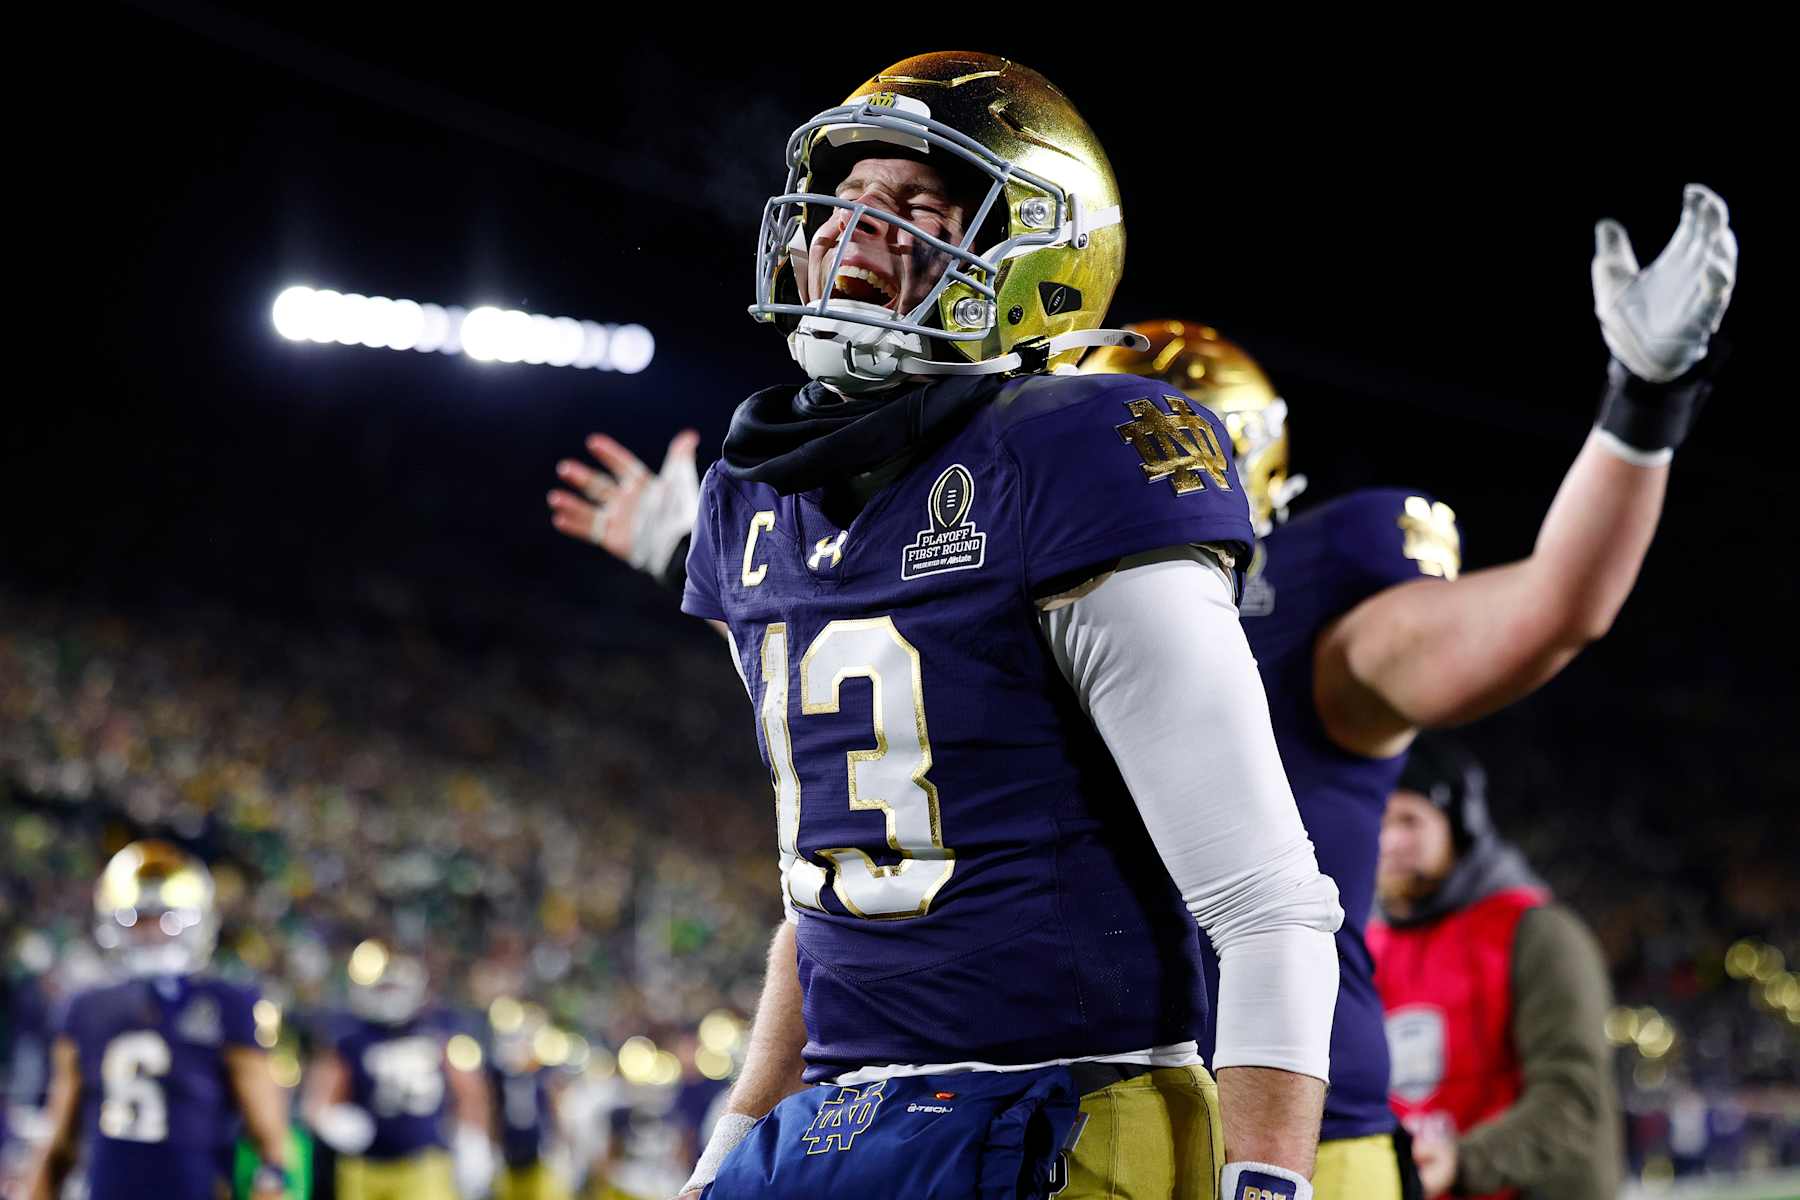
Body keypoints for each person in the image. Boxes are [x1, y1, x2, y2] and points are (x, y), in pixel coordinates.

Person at [560, 50, 1344, 1200]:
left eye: (919, 207)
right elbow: (823, 894)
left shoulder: (1074, 453)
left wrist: (1268, 1181)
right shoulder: (755, 499)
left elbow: (1267, 901)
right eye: (848, 202)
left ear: (1035, 255)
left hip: (1070, 1108)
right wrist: (738, 1132)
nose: (853, 232)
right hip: (840, 1114)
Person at [1370, 737, 1621, 1199]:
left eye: (1410, 819)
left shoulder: (1540, 932)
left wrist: (1463, 1160)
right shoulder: (1368, 944)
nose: (1391, 841)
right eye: (1380, 821)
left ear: (1461, 825)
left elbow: (1572, 1095)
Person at [22, 839, 293, 1200]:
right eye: (137, 918)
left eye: (166, 918)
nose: (151, 931)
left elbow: (270, 1137)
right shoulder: (85, 1008)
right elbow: (58, 1139)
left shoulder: (228, 1003)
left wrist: (271, 1182)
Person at [302, 947, 492, 1200]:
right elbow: (319, 1095)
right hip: (364, 1164)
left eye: (393, 988)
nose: (388, 997)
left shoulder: (438, 1030)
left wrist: (474, 1138)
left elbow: (469, 1090)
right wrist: (328, 1118)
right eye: (382, 988)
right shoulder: (350, 1037)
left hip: (424, 1162)